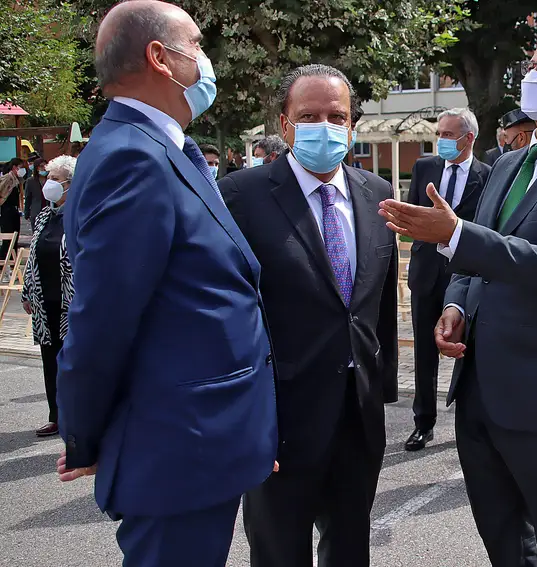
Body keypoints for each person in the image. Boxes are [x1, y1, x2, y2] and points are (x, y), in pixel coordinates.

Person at [379, 32, 537, 567]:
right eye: (531, 64)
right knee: (500, 531)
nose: (530, 75)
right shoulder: (509, 163)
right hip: (479, 385)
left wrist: (454, 234)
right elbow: (476, 259)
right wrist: (456, 305)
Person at [55, 2, 278, 565]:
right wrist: (83, 433)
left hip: (206, 440)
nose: (206, 60)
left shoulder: (160, 148)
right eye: (197, 45)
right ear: (160, 57)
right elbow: (101, 316)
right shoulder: (133, 157)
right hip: (180, 448)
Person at [219, 64, 398, 567]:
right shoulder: (241, 196)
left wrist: (382, 387)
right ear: (284, 124)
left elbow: (378, 306)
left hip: (357, 414)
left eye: (336, 115)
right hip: (279, 418)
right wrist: (244, 416)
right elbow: (229, 313)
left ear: (352, 125)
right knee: (279, 552)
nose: (324, 125)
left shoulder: (377, 194)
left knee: (349, 549)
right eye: (309, 115)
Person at [404, 107, 491, 451]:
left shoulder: (487, 175)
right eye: (438, 134)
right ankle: (423, 423)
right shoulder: (425, 168)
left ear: (469, 139)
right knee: (424, 352)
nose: (440, 141)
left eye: (448, 135)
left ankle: (473, 423)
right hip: (426, 273)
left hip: (466, 275)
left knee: (470, 349)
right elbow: (414, 217)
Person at [21, 155, 76, 438]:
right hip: (45, 302)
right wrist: (27, 293)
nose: (49, 183)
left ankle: (76, 416)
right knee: (49, 357)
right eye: (48, 178)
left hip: (72, 303)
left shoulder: (80, 216)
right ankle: (55, 415)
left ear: (70, 184)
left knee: (73, 361)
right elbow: (32, 259)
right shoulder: (44, 216)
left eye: (55, 179)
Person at [0, 158, 25, 258]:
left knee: (15, 238)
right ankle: (3, 260)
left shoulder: (17, 180)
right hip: (6, 210)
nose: (22, 170)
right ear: (15, 167)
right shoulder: (7, 178)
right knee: (8, 238)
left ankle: (12, 261)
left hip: (14, 210)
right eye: (21, 167)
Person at [23, 155, 46, 229]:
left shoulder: (50, 180)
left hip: (49, 210)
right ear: (37, 168)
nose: (44, 168)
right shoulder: (30, 181)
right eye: (41, 166)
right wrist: (27, 213)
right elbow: (28, 197)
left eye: (46, 166)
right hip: (36, 212)